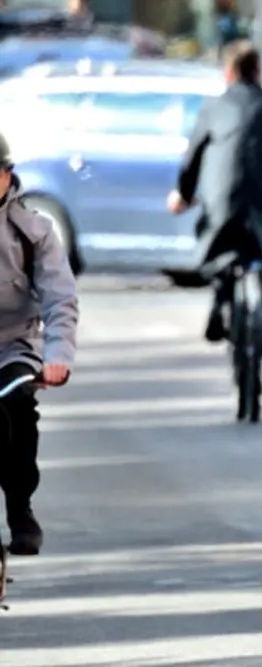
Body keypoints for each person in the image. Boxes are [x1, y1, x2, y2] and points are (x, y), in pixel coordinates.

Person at [169, 41, 262, 392]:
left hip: (224, 201)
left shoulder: (214, 109)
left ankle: (219, 306)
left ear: (227, 72)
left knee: (221, 248)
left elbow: (193, 160)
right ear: (259, 70)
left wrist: (183, 195)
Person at [0, 133, 79, 556]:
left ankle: (19, 507)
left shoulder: (33, 231)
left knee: (17, 409)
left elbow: (60, 298)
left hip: (11, 346)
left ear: (6, 177)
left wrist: (58, 356)